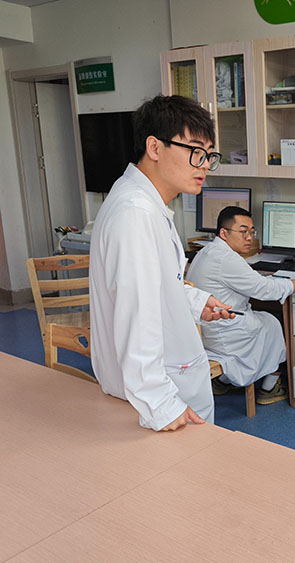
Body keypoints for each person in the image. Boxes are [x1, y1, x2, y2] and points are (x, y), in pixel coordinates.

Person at [90, 95, 234, 432]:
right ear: (154, 147)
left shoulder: (141, 202)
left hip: (165, 390)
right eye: (195, 151)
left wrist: (196, 302)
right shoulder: (135, 214)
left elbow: (156, 283)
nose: (204, 165)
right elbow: (136, 315)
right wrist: (161, 405)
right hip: (163, 401)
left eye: (209, 155)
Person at [186, 206, 295, 404]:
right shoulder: (226, 259)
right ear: (224, 233)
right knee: (276, 322)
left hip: (203, 333)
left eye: (252, 232)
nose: (249, 238)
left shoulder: (207, 251)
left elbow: (253, 283)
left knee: (263, 317)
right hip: (225, 334)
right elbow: (266, 290)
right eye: (243, 232)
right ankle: (269, 388)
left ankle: (222, 381)